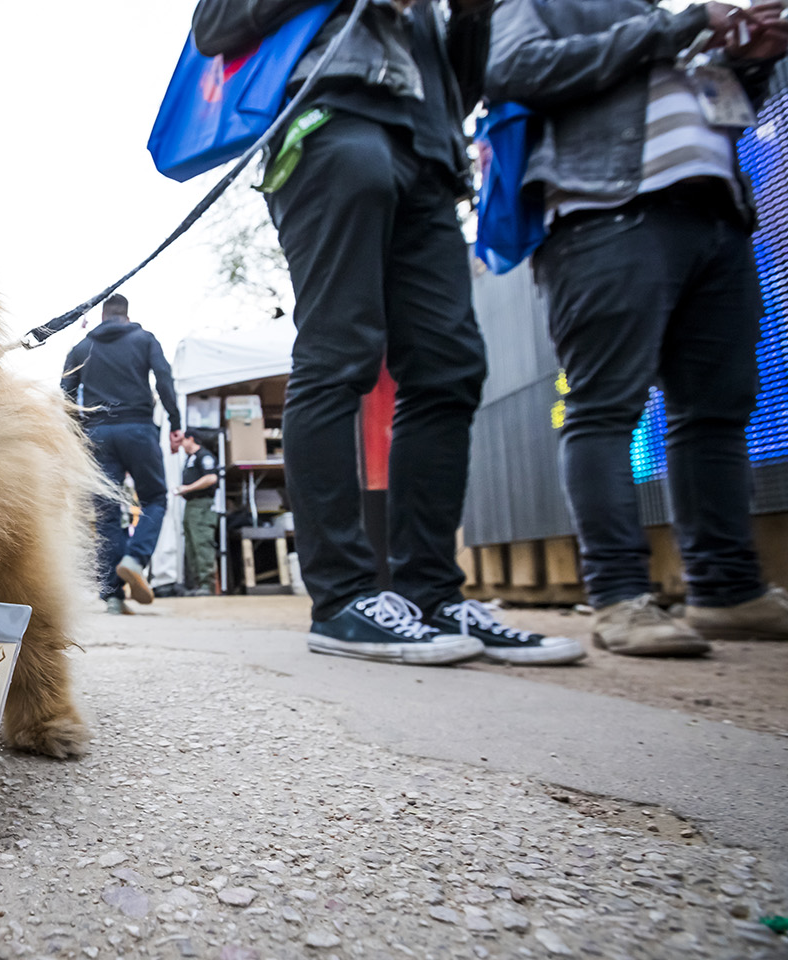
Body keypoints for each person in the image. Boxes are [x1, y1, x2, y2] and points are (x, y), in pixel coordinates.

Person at [193, 0, 584, 666]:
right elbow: (214, 24)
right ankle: (343, 600)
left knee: (450, 367)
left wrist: (470, 16)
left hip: (428, 152)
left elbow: (459, 90)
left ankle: (431, 594)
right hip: (330, 122)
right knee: (339, 354)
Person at [486, 0, 788, 655]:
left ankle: (728, 592)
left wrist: (747, 63)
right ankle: (620, 596)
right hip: (607, 213)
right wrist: (679, 26)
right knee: (602, 407)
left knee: (714, 412)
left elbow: (725, 110)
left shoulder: (668, 18)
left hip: (718, 215)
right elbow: (512, 69)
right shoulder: (544, 5)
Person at [61, 294, 182, 614]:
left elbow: (66, 396)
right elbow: (165, 380)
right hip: (138, 428)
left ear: (103, 315)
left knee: (107, 514)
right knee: (155, 497)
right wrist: (176, 422)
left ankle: (113, 597)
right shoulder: (145, 340)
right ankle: (135, 558)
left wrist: (76, 435)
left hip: (97, 434)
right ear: (126, 315)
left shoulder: (82, 348)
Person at [174, 428, 220, 596]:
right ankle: (197, 585)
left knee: (202, 543)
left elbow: (211, 478)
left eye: (183, 441)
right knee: (191, 545)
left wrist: (187, 488)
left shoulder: (204, 456)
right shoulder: (190, 459)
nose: (181, 445)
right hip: (191, 505)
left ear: (191, 439)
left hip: (202, 505)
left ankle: (207, 585)